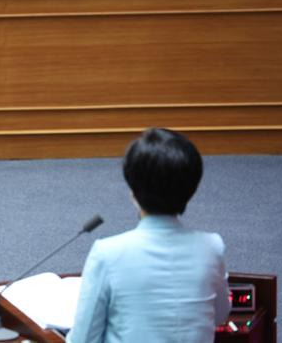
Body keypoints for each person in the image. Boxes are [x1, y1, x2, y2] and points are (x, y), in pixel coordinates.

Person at [67, 127, 231, 343]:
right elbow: (220, 315)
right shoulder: (212, 247)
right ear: (192, 187)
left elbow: (83, 340)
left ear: (132, 189)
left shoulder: (108, 253)